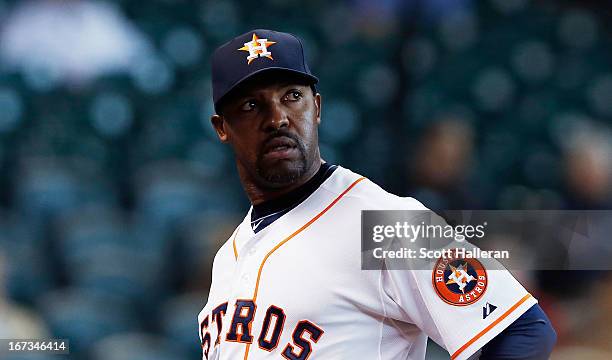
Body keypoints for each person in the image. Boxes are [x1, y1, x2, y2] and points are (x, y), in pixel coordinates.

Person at [198, 29, 556, 360]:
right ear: (221, 128)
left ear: (317, 108)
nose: (277, 118)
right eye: (251, 105)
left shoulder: (387, 223)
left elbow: (524, 332)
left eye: (292, 97)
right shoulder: (228, 258)